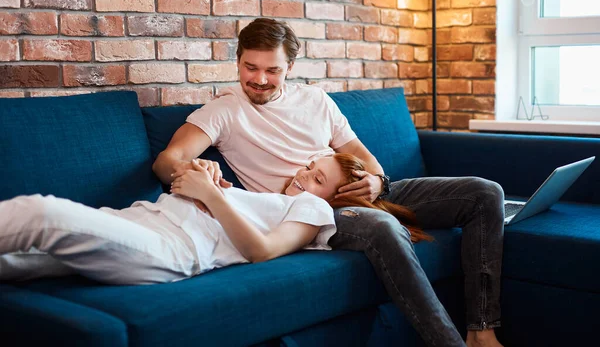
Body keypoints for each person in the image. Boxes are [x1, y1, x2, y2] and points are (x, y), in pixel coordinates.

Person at [152, 18, 505, 347]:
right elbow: (167, 161)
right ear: (238, 61)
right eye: (250, 67)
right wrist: (199, 170)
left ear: (290, 67)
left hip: (359, 191)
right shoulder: (224, 110)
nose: (259, 79)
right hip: (312, 210)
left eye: (272, 70)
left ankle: (482, 332)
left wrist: (377, 182)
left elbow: (366, 159)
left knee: (484, 193)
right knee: (383, 226)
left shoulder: (316, 100)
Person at [0, 154, 426, 286]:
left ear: (332, 198)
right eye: (308, 164)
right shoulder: (262, 195)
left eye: (316, 179)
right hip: (141, 218)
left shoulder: (312, 211)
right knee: (18, 262)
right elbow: (181, 176)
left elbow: (261, 252)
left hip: (172, 248)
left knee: (43, 213)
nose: (301, 174)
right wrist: (204, 174)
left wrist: (211, 197)